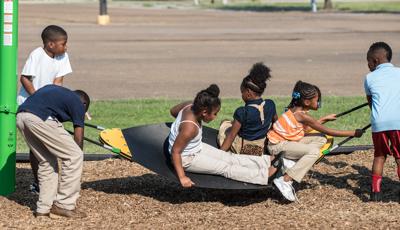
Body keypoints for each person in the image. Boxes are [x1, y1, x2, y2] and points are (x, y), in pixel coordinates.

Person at [267, 80, 364, 202]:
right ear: (307, 102)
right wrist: (353, 133)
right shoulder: (303, 116)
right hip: (277, 146)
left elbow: (307, 129)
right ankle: (285, 179)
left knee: (320, 139)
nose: (318, 102)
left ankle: (291, 162)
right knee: (314, 152)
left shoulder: (294, 110)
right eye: (316, 100)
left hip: (285, 143)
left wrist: (324, 119)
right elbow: (330, 132)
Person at [169, 84, 279, 188]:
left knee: (228, 157)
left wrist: (178, 127)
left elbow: (173, 111)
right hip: (185, 158)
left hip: (194, 148)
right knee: (224, 167)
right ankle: (264, 175)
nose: (215, 117)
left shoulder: (189, 105)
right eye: (215, 113)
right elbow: (175, 152)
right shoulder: (190, 128)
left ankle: (266, 161)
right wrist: (182, 177)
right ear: (204, 112)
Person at [16, 85, 90, 218]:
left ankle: (43, 208)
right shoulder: (79, 103)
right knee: (75, 155)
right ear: (84, 103)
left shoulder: (56, 92)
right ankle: (64, 205)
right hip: (40, 118)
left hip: (21, 116)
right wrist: (77, 161)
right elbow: (78, 139)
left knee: (47, 161)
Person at [17, 25, 72, 195]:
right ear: (50, 44)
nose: (66, 46)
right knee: (37, 146)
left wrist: (57, 103)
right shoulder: (37, 55)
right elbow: (25, 78)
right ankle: (38, 182)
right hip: (30, 105)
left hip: (47, 106)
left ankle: (49, 181)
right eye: (63, 43)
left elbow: (58, 82)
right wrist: (37, 98)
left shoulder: (63, 56)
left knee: (49, 145)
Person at [364, 42, 400, 202]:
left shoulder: (369, 78)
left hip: (379, 124)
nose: (368, 65)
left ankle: (375, 193)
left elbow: (371, 104)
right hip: (398, 122)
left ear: (376, 60)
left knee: (379, 156)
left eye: (369, 61)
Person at [218, 62, 277, 155]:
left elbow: (231, 136)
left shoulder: (242, 112)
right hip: (261, 147)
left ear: (248, 92)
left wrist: (218, 155)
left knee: (224, 126)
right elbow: (276, 124)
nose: (242, 95)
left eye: (242, 92)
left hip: (244, 149)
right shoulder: (270, 104)